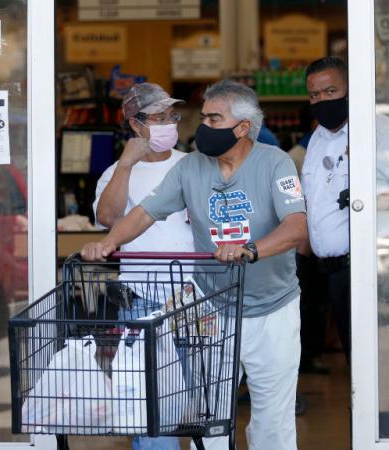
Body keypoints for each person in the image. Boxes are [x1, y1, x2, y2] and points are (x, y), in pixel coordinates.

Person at [82, 79, 308, 450]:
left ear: (242, 127)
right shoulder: (191, 169)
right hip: (214, 307)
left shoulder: (275, 162)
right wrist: (107, 243)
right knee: (211, 415)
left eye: (213, 119)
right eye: (202, 117)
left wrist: (249, 249)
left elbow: (296, 226)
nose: (201, 126)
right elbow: (144, 213)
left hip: (274, 309)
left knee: (273, 418)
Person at [93, 82, 194, 450]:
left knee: (201, 400)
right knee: (152, 403)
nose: (169, 124)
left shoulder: (193, 165)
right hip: (143, 300)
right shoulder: (116, 173)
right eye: (159, 118)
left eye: (172, 116)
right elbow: (108, 217)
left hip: (195, 298)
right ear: (136, 126)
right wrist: (126, 163)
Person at [300, 56, 352, 364]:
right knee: (351, 356)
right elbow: (313, 204)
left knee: (373, 362)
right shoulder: (317, 141)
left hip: (361, 269)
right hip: (327, 271)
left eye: (330, 91)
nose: (321, 100)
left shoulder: (375, 132)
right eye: (314, 95)